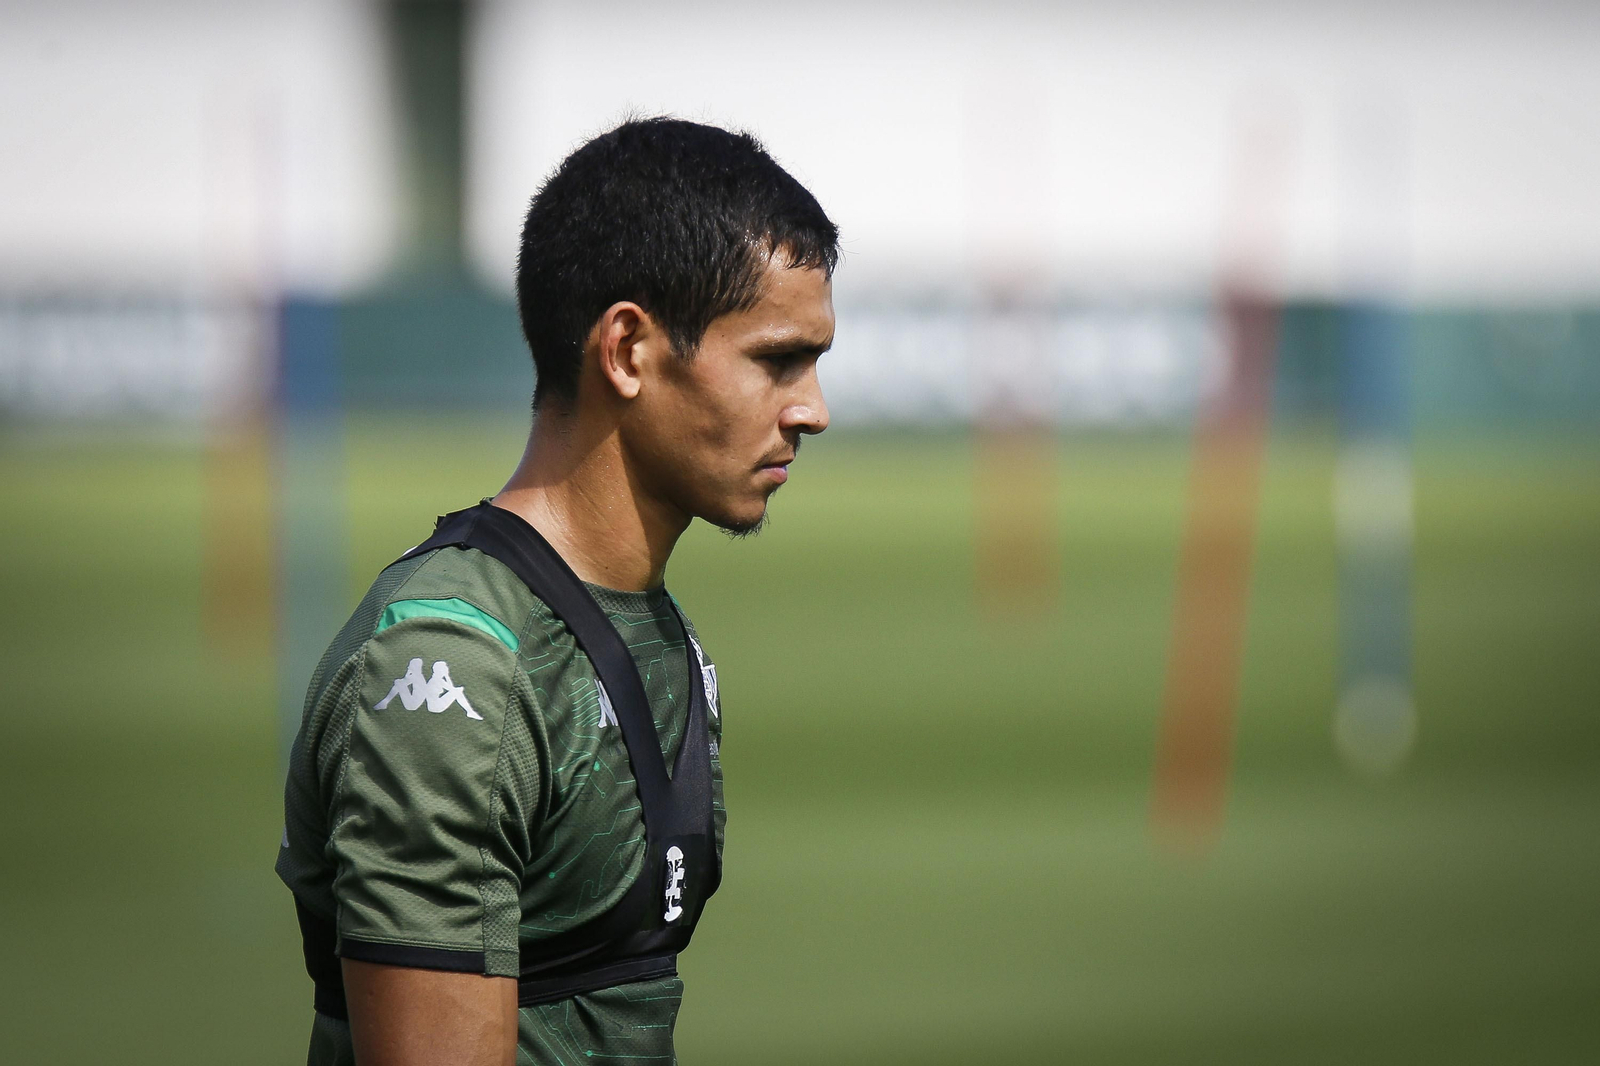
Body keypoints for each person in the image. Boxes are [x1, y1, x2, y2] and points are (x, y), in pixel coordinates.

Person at [276, 117, 839, 1065]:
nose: (813, 409)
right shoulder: (453, 673)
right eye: (777, 360)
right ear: (626, 350)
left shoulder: (661, 636)